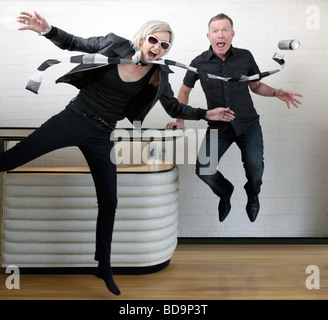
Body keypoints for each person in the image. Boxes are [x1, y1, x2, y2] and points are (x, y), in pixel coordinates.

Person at [5, 11, 235, 295]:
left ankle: (103, 266)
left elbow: (174, 108)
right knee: (11, 159)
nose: (158, 48)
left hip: (102, 134)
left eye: (165, 46)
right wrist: (47, 29)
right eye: (154, 40)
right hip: (73, 118)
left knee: (110, 201)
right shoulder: (113, 44)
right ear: (142, 38)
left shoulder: (157, 74)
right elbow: (74, 42)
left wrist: (205, 113)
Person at [167, 13, 302, 223]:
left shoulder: (245, 57)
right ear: (208, 36)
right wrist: (180, 120)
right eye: (215, 31)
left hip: (248, 125)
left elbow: (256, 85)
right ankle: (225, 192)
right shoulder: (199, 63)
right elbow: (184, 92)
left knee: (255, 170)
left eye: (224, 30)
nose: (220, 34)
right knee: (204, 169)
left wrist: (276, 92)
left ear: (232, 34)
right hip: (218, 126)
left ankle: (253, 194)